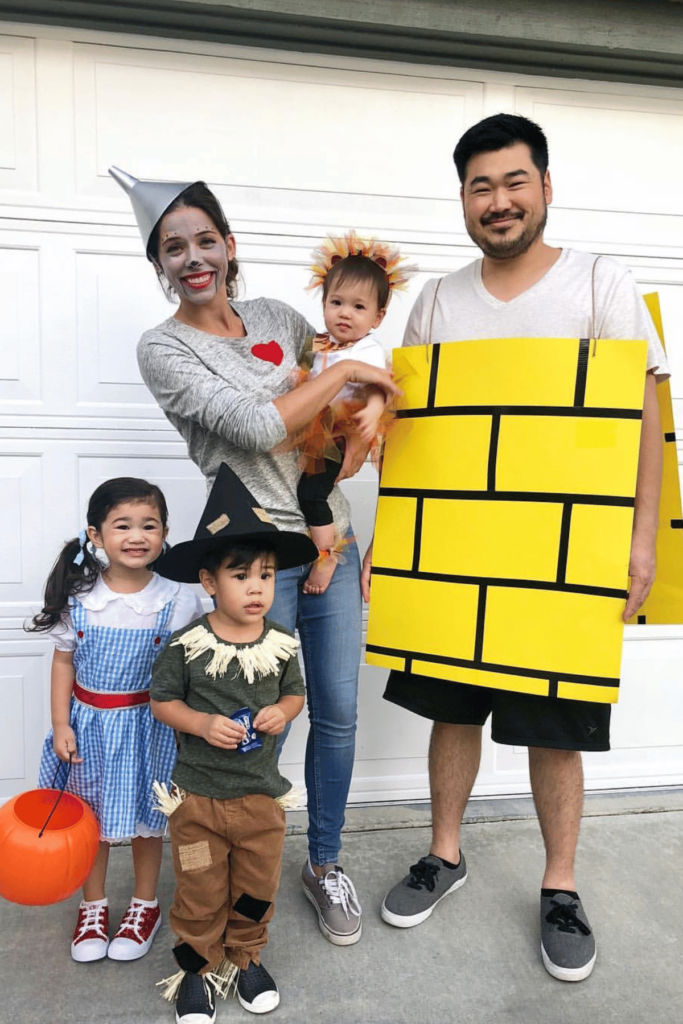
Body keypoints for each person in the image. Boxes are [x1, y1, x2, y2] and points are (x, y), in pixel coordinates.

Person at [361, 113, 669, 983]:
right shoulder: (437, 300)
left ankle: (560, 886)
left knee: (552, 722)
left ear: (544, 187)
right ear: (462, 198)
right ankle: (444, 854)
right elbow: (412, 433)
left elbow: (643, 417)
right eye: (479, 186)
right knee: (451, 711)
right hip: (455, 548)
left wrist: (641, 541)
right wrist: (394, 540)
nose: (497, 201)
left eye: (512, 181)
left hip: (560, 556)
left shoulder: (601, 282)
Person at [109, 166, 399, 949]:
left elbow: (338, 408)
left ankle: (324, 861)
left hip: (328, 542)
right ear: (159, 262)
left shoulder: (278, 315)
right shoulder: (163, 349)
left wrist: (370, 404)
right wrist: (346, 374)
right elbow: (256, 425)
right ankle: (239, 870)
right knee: (247, 722)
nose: (193, 256)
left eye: (206, 239)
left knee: (334, 714)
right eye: (174, 247)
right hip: (251, 560)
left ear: (230, 245)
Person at [150, 462, 318, 1020]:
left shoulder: (283, 641)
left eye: (266, 575)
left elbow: (297, 696)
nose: (256, 587)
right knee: (198, 890)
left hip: (260, 800)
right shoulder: (187, 642)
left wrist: (280, 711)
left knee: (254, 885)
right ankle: (194, 968)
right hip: (197, 801)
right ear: (209, 582)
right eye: (241, 574)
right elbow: (161, 701)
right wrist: (199, 723)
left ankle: (245, 956)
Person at [28, 477, 204, 964]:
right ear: (96, 535)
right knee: (90, 822)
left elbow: (193, 665)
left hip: (149, 728)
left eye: (149, 525)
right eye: (122, 525)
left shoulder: (178, 597)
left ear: (165, 533)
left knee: (149, 821)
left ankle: (144, 905)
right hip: (88, 728)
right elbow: (64, 662)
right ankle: (94, 905)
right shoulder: (80, 596)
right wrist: (61, 724)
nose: (136, 535)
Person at [290, 231, 414, 595]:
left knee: (311, 493)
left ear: (378, 317)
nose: (345, 313)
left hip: (340, 433)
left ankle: (326, 554)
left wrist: (373, 414)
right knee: (308, 488)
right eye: (337, 302)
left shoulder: (368, 350)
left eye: (359, 307)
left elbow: (383, 387)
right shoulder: (318, 343)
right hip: (316, 429)